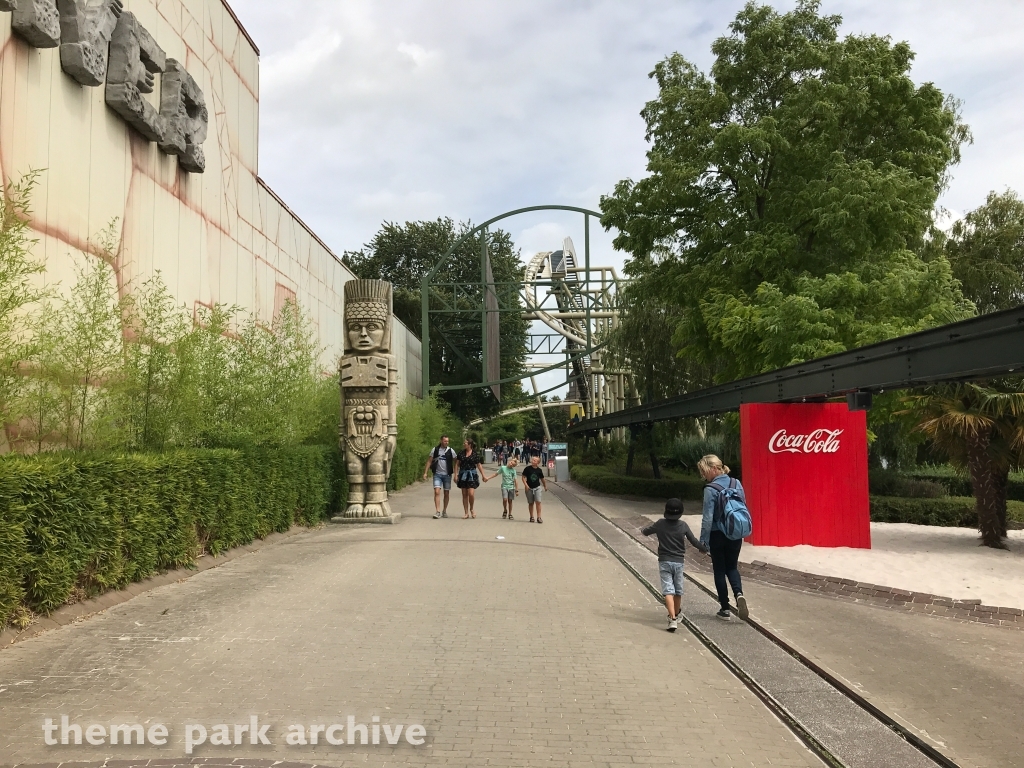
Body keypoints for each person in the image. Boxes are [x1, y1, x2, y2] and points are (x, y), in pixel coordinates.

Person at [642, 498, 707, 632]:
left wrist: (644, 531)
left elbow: (646, 531)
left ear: (666, 511)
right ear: (681, 512)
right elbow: (694, 541)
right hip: (678, 562)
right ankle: (676, 615)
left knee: (668, 591)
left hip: (664, 561)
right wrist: (703, 548)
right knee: (678, 591)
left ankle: (672, 620)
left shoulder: (660, 523)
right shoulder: (683, 525)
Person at [698, 454, 749, 620]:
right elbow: (743, 505)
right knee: (732, 567)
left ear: (714, 468)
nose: (704, 476)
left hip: (717, 534)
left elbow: (707, 518)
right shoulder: (737, 483)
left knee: (719, 570)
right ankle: (739, 594)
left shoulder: (710, 489)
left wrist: (703, 542)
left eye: (704, 471)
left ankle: (725, 609)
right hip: (735, 531)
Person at [423, 434, 457, 519]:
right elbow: (429, 461)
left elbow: (456, 461)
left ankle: (444, 510)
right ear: (441, 441)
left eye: (447, 441)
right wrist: (425, 473)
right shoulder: (435, 450)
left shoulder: (451, 451)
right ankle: (437, 511)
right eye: (445, 441)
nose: (446, 443)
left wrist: (456, 473)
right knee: (437, 492)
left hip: (447, 475)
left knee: (446, 493)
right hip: (437, 474)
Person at [455, 438, 482, 519]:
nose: (464, 444)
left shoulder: (475, 454)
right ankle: (466, 512)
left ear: (469, 444)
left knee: (471, 494)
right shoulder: (461, 453)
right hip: (463, 475)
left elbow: (479, 465)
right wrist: (455, 474)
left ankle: (472, 508)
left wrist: (483, 475)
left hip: (472, 475)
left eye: (465, 443)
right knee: (464, 494)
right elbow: (456, 464)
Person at [522, 454, 548, 523]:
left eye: (535, 460)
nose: (533, 461)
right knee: (531, 503)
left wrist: (545, 486)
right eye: (533, 460)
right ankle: (531, 517)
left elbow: (542, 479)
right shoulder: (527, 469)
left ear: (538, 463)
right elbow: (523, 477)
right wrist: (526, 485)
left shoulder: (539, 470)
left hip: (537, 487)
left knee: (538, 502)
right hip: (529, 488)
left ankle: (539, 517)